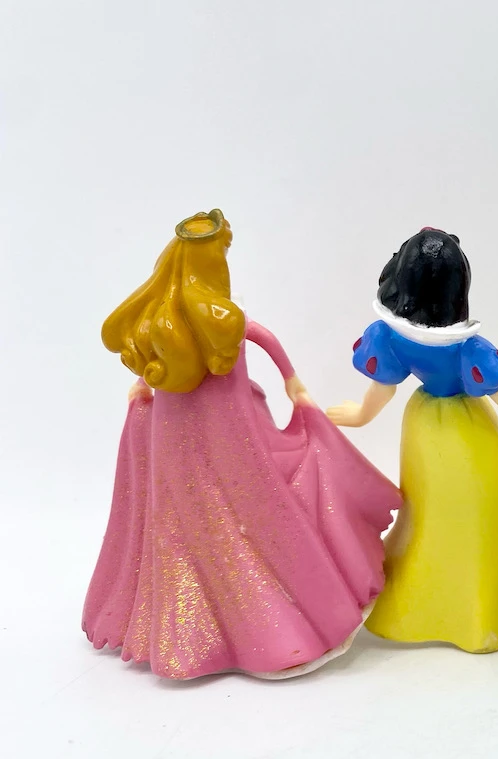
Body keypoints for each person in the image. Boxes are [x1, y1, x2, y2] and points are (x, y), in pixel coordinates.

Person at [85, 209, 401, 679]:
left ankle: (201, 630)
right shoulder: (222, 322)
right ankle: (266, 627)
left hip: (192, 443)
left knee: (184, 520)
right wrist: (295, 385)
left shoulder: (165, 322)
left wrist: (143, 386)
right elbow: (265, 339)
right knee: (251, 517)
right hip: (230, 446)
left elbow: (243, 345)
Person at [328, 228, 498, 652]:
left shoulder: (392, 337)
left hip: (428, 426)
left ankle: (462, 603)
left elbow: (382, 390)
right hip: (467, 430)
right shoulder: (467, 349)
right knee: (467, 511)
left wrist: (360, 416)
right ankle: (478, 605)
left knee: (452, 512)